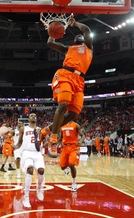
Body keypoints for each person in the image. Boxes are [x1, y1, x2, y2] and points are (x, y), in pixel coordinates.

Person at [39, 16, 93, 158]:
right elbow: (50, 43)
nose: (80, 35)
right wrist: (52, 30)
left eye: (81, 35)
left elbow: (86, 29)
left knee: (74, 114)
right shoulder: (67, 48)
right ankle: (53, 140)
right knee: (63, 104)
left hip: (79, 80)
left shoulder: (88, 47)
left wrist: (75, 24)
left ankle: (45, 131)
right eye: (78, 35)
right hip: (65, 74)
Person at [15, 113, 45, 208]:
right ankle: (26, 197)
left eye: (35, 116)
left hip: (37, 153)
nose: (33, 117)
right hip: (27, 152)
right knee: (30, 170)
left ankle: (39, 188)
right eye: (31, 115)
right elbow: (20, 142)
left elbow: (46, 140)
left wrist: (48, 141)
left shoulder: (40, 130)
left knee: (41, 171)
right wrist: (15, 146)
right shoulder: (23, 129)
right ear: (28, 119)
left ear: (37, 119)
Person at [59, 121, 85, 192]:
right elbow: (61, 137)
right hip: (64, 148)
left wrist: (81, 141)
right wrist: (54, 141)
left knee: (72, 164)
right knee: (62, 167)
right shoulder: (62, 125)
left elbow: (83, 135)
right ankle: (66, 167)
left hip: (74, 147)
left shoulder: (76, 125)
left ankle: (74, 182)